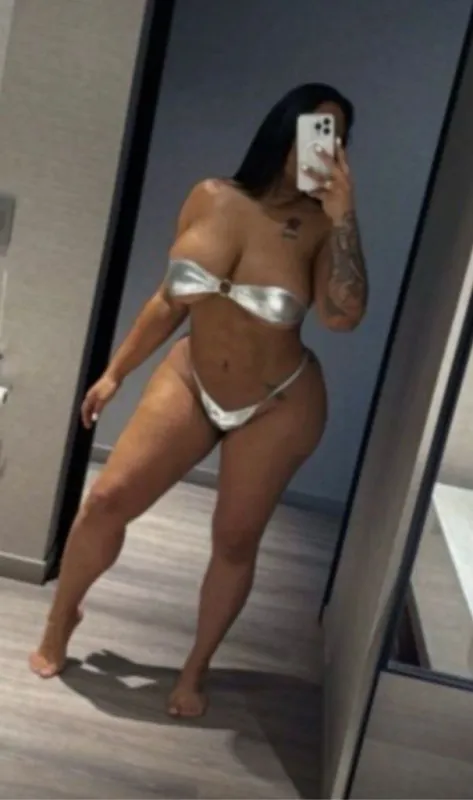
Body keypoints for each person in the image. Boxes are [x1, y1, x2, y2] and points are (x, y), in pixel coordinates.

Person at [29, 83, 367, 717]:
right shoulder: (210, 196)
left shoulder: (325, 228)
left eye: (336, 137)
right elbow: (169, 300)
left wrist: (346, 217)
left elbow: (343, 317)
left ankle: (196, 667)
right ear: (284, 127)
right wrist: (115, 374)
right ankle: (60, 619)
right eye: (314, 128)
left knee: (234, 541)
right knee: (106, 500)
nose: (322, 145)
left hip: (278, 401)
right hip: (191, 375)